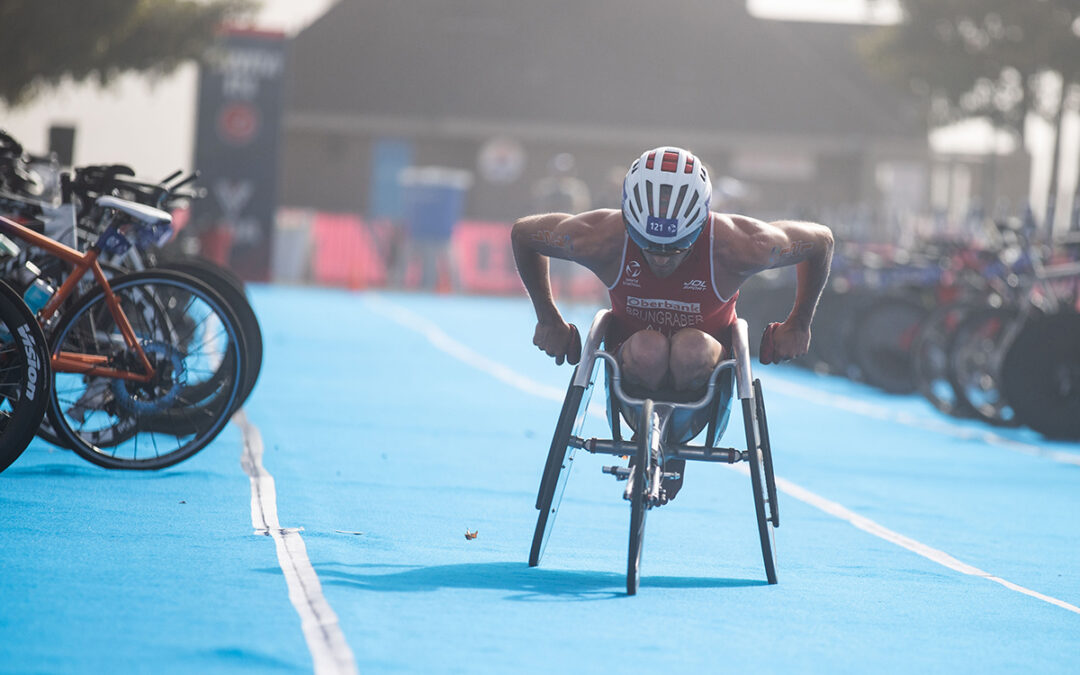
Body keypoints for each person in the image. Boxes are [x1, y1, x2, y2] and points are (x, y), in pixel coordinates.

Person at [511, 146, 834, 503]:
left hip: (705, 375)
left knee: (689, 346)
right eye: (648, 246)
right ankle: (650, 443)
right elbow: (524, 234)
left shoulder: (741, 244)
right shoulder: (602, 235)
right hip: (632, 368)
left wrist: (799, 323)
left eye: (676, 249)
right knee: (648, 348)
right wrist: (548, 319)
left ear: (700, 225)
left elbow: (821, 242)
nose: (661, 259)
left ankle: (674, 449)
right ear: (628, 224)